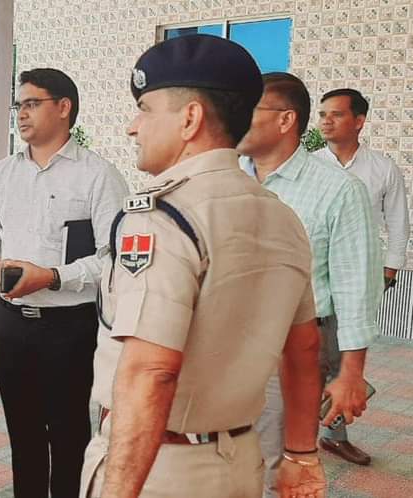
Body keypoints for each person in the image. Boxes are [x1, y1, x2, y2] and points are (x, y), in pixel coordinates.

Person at [81, 35, 325, 498]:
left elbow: (152, 371)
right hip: (240, 463)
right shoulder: (282, 217)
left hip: (159, 470)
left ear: (190, 119)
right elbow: (304, 348)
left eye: (145, 109)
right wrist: (301, 455)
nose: (133, 127)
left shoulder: (163, 218)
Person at [0, 68, 127, 497]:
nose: (21, 114)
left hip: (69, 327)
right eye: (18, 105)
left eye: (31, 103)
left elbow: (114, 258)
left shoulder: (98, 176)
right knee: (22, 433)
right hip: (10, 324)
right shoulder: (2, 173)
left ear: (63, 107)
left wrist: (54, 277)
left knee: (68, 433)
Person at [238, 73, 382, 483]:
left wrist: (350, 372)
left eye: (247, 109)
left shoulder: (337, 190)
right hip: (225, 341)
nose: (233, 118)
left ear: (285, 120)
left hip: (293, 347)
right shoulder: (226, 177)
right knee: (222, 455)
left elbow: (355, 286)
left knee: (273, 462)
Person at [314, 88, 408, 294]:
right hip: (311, 275)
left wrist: (389, 273)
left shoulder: (383, 168)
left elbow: (398, 223)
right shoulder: (308, 166)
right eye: (322, 114)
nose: (326, 121)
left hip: (361, 276)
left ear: (359, 121)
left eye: (336, 114)